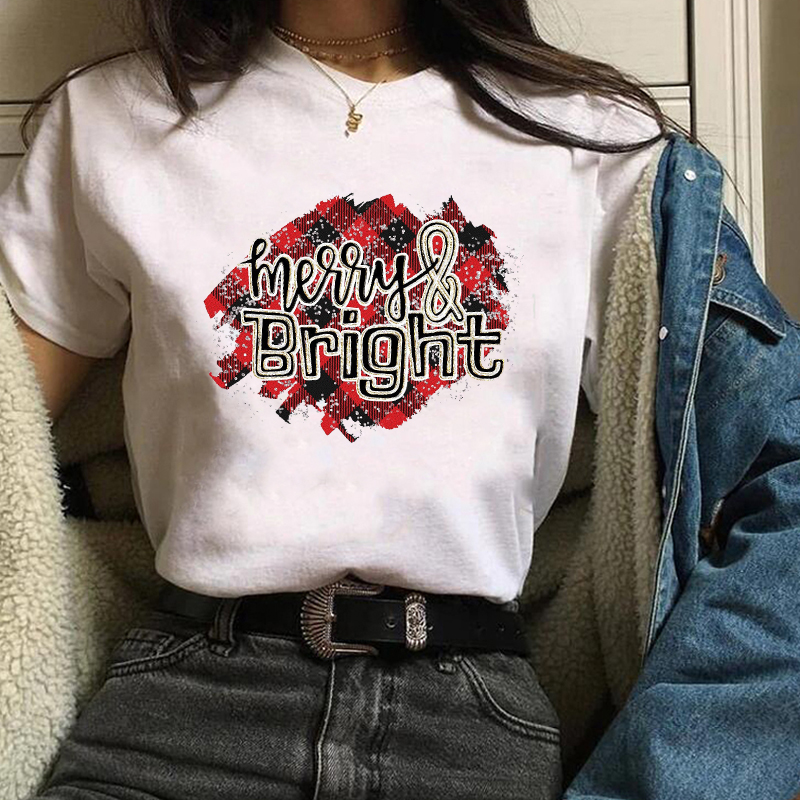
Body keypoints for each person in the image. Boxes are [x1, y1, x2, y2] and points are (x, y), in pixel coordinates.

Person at [0, 1, 738, 798]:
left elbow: (745, 475)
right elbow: (13, 429)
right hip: (185, 711)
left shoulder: (595, 139)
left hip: (467, 725)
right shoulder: (112, 117)